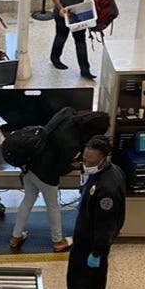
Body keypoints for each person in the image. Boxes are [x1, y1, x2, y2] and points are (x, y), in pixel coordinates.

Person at [9, 109, 110, 254]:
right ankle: (58, 241)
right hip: (46, 174)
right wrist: (74, 165)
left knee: (27, 201)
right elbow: (60, 168)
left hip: (30, 163)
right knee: (53, 206)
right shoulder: (72, 143)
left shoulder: (67, 112)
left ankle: (15, 237)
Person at [64, 135, 126, 289]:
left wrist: (97, 251)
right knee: (96, 279)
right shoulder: (111, 171)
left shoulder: (106, 189)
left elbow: (105, 224)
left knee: (79, 283)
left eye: (90, 162)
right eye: (84, 160)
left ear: (104, 159)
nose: (85, 165)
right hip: (94, 240)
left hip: (91, 243)